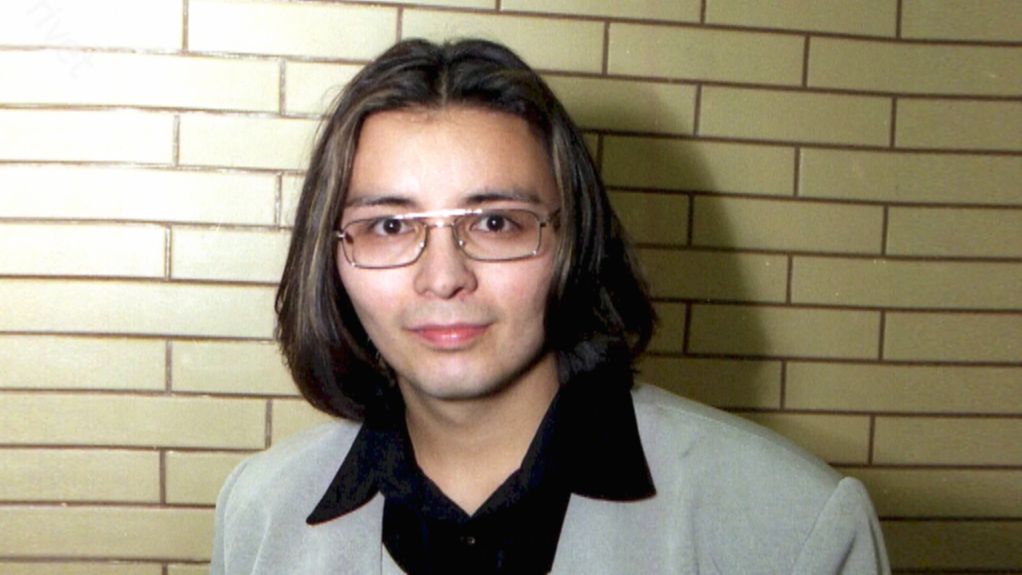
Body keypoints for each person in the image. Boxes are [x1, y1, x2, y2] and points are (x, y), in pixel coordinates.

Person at [211, 38, 889, 574]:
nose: (443, 278)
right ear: (331, 256)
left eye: (495, 222)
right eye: (389, 226)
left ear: (574, 239)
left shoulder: (792, 527)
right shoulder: (260, 514)